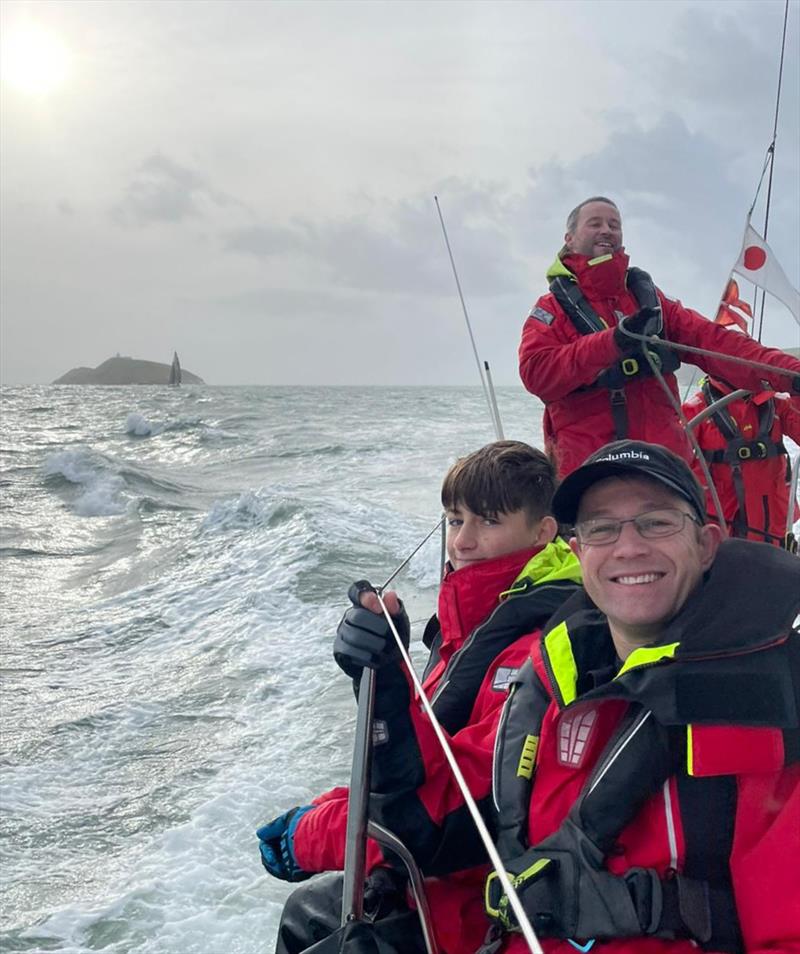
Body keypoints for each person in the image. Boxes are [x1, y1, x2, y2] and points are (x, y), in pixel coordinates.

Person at [350, 440, 800, 953]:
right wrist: (387, 690)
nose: (628, 547)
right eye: (601, 528)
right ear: (577, 550)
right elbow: (437, 811)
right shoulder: (553, 676)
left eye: (656, 522)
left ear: (705, 545)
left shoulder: (776, 701)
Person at [257, 441, 583, 954]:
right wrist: (330, 803)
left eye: (489, 521)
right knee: (312, 912)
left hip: (482, 902)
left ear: (544, 532)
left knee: (311, 920)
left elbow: (453, 805)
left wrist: (312, 833)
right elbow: (421, 757)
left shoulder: (535, 644)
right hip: (437, 880)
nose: (464, 541)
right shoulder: (468, 625)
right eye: (455, 521)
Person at [518, 196, 800, 478]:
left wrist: (789, 374)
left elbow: (718, 344)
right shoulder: (551, 308)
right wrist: (612, 342)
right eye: (595, 223)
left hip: (662, 468)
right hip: (591, 472)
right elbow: (536, 372)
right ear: (569, 237)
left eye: (614, 225)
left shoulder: (652, 302)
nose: (606, 230)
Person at [682, 375, 800, 548]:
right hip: (720, 524)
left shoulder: (778, 405)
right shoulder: (695, 409)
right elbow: (671, 459)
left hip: (772, 521)